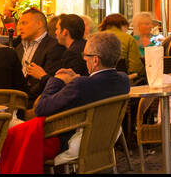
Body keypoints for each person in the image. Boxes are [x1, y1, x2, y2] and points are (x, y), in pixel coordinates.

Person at [33, 30, 131, 161]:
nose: (84, 59)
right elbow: (96, 83)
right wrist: (76, 78)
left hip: (74, 143)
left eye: (85, 57)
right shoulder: (123, 80)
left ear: (95, 60)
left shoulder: (80, 85)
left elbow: (40, 109)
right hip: (106, 139)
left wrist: (56, 79)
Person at [15, 8, 65, 101]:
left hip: (38, 100)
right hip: (16, 98)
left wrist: (25, 97)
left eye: (24, 23)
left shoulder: (54, 47)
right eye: (19, 24)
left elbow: (51, 82)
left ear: (39, 24)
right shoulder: (19, 47)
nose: (19, 28)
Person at [99, 14, 145, 81]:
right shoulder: (128, 38)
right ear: (123, 25)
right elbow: (136, 67)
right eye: (127, 27)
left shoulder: (93, 38)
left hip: (99, 80)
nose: (127, 30)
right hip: (122, 81)